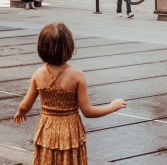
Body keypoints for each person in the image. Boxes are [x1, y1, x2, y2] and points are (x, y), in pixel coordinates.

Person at [14, 22, 126, 164]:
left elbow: (25, 105)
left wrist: (21, 112)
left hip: (47, 128)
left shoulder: (38, 74)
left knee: (48, 158)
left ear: (41, 48)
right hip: (70, 129)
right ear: (69, 47)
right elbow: (88, 111)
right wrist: (112, 106)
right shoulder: (76, 75)